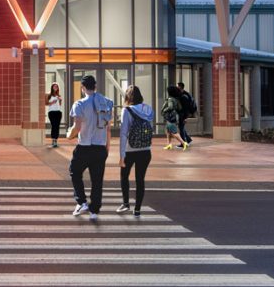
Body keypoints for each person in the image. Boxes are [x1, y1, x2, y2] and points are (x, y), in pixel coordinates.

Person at [65, 75, 113, 221]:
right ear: (95, 86)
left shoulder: (79, 104)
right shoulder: (107, 103)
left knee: (74, 171)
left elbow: (77, 127)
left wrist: (69, 135)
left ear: (83, 88)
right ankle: (94, 211)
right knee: (97, 180)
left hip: (84, 146)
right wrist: (107, 148)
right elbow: (108, 129)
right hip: (100, 147)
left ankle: (81, 201)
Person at [116, 85, 155, 217]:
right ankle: (137, 210)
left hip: (130, 150)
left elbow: (123, 134)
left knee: (124, 176)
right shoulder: (148, 109)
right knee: (140, 179)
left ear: (128, 97)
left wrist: (121, 155)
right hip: (146, 150)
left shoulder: (127, 111)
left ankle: (126, 203)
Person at [162, 85, 189, 150]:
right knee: (168, 131)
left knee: (174, 132)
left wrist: (164, 110)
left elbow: (170, 107)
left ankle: (184, 143)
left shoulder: (170, 99)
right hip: (173, 116)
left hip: (170, 117)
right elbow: (179, 108)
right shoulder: (176, 99)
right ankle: (169, 144)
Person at [46, 83, 63, 148]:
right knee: (53, 126)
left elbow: (60, 105)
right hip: (51, 112)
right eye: (55, 86)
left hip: (58, 112)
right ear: (52, 87)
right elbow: (47, 103)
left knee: (57, 126)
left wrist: (60, 100)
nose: (56, 87)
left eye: (57, 86)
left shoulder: (58, 95)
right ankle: (53, 140)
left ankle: (56, 140)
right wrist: (52, 102)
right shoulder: (49, 95)